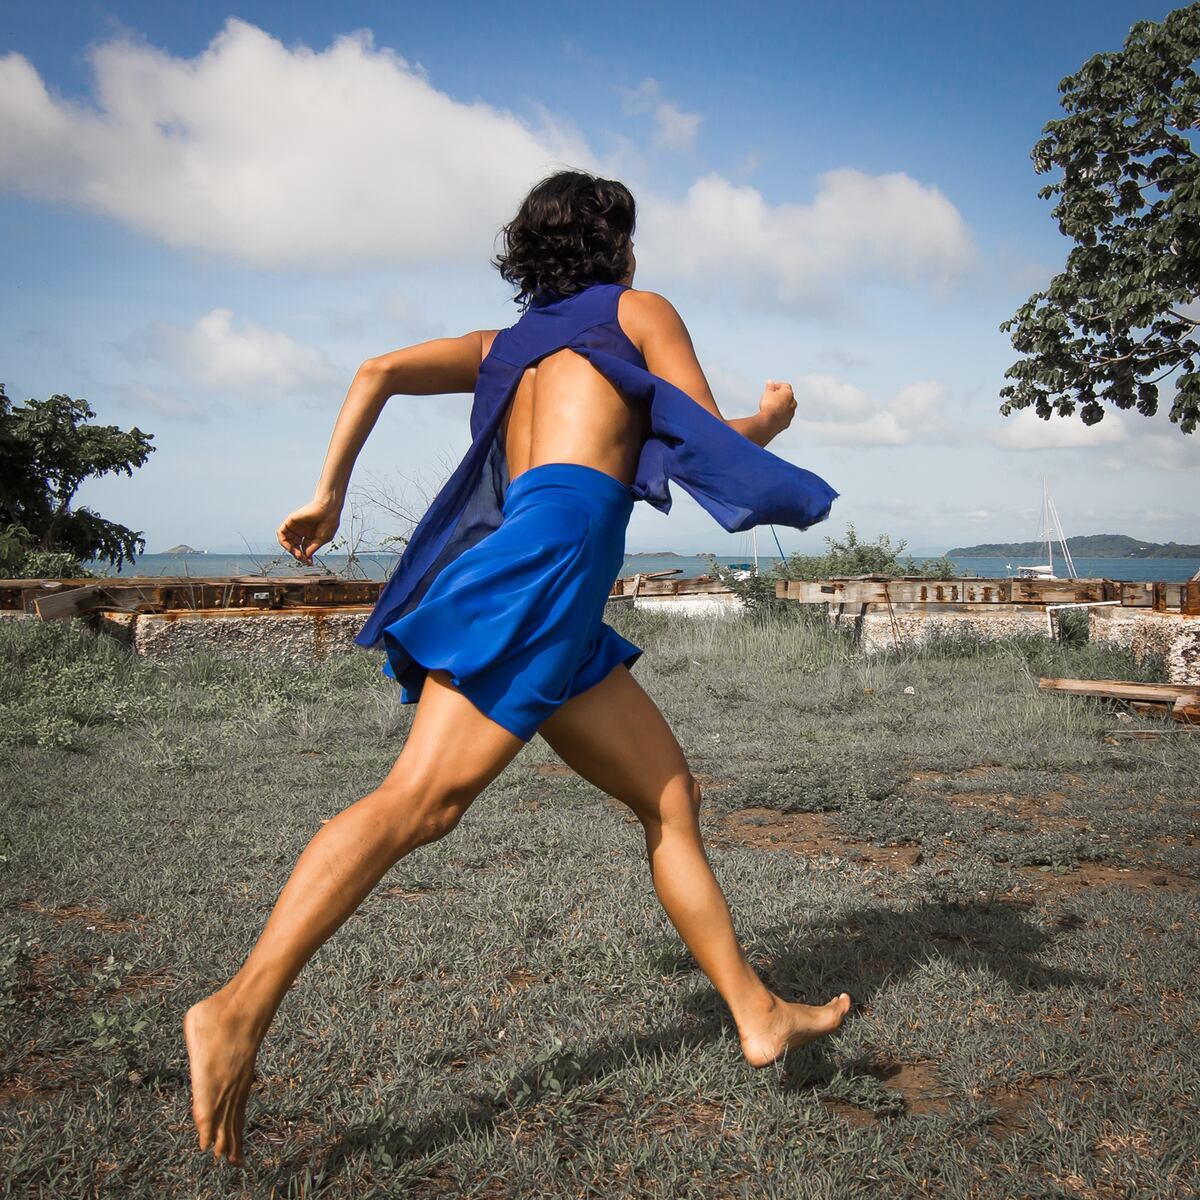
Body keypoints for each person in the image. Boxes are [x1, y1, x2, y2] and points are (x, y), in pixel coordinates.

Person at [184, 170, 851, 1166]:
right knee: (421, 801)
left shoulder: (505, 347)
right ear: (617, 247)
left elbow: (372, 369)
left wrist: (327, 495)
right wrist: (775, 421)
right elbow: (708, 438)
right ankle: (234, 1011)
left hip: (553, 585)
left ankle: (757, 1014)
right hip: (549, 565)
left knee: (670, 796)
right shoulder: (639, 311)